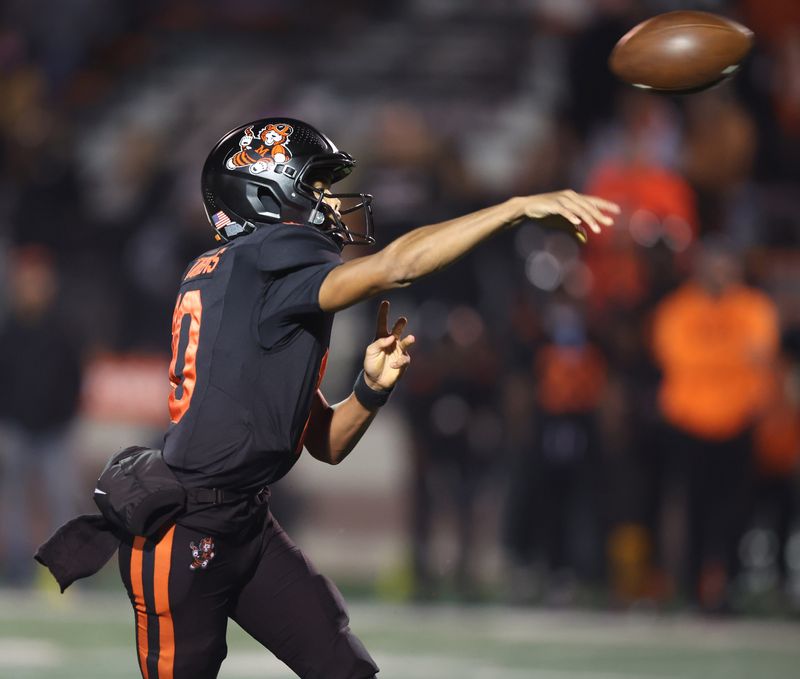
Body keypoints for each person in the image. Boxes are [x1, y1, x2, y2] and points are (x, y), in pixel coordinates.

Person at [63, 117, 618, 678]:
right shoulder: (260, 266)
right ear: (266, 194)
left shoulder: (251, 280)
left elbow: (325, 442)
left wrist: (371, 389)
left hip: (245, 521)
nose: (331, 201)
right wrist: (512, 208)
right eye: (316, 186)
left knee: (345, 669)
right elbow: (397, 268)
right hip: (183, 532)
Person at [651, 238, 780, 610]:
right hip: (689, 423)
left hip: (739, 423)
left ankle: (727, 586)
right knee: (692, 509)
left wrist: (718, 360)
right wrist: (734, 357)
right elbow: (680, 357)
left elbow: (761, 352)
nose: (722, 274)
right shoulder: (677, 308)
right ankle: (693, 588)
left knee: (736, 511)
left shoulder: (754, 306)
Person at [0, 246, 83, 585]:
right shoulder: (8, 331)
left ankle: (61, 566)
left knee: (61, 498)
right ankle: (18, 566)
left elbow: (74, 378)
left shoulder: (62, 330)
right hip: (15, 428)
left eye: (38, 283)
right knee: (13, 501)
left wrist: (64, 417)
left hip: (54, 431)